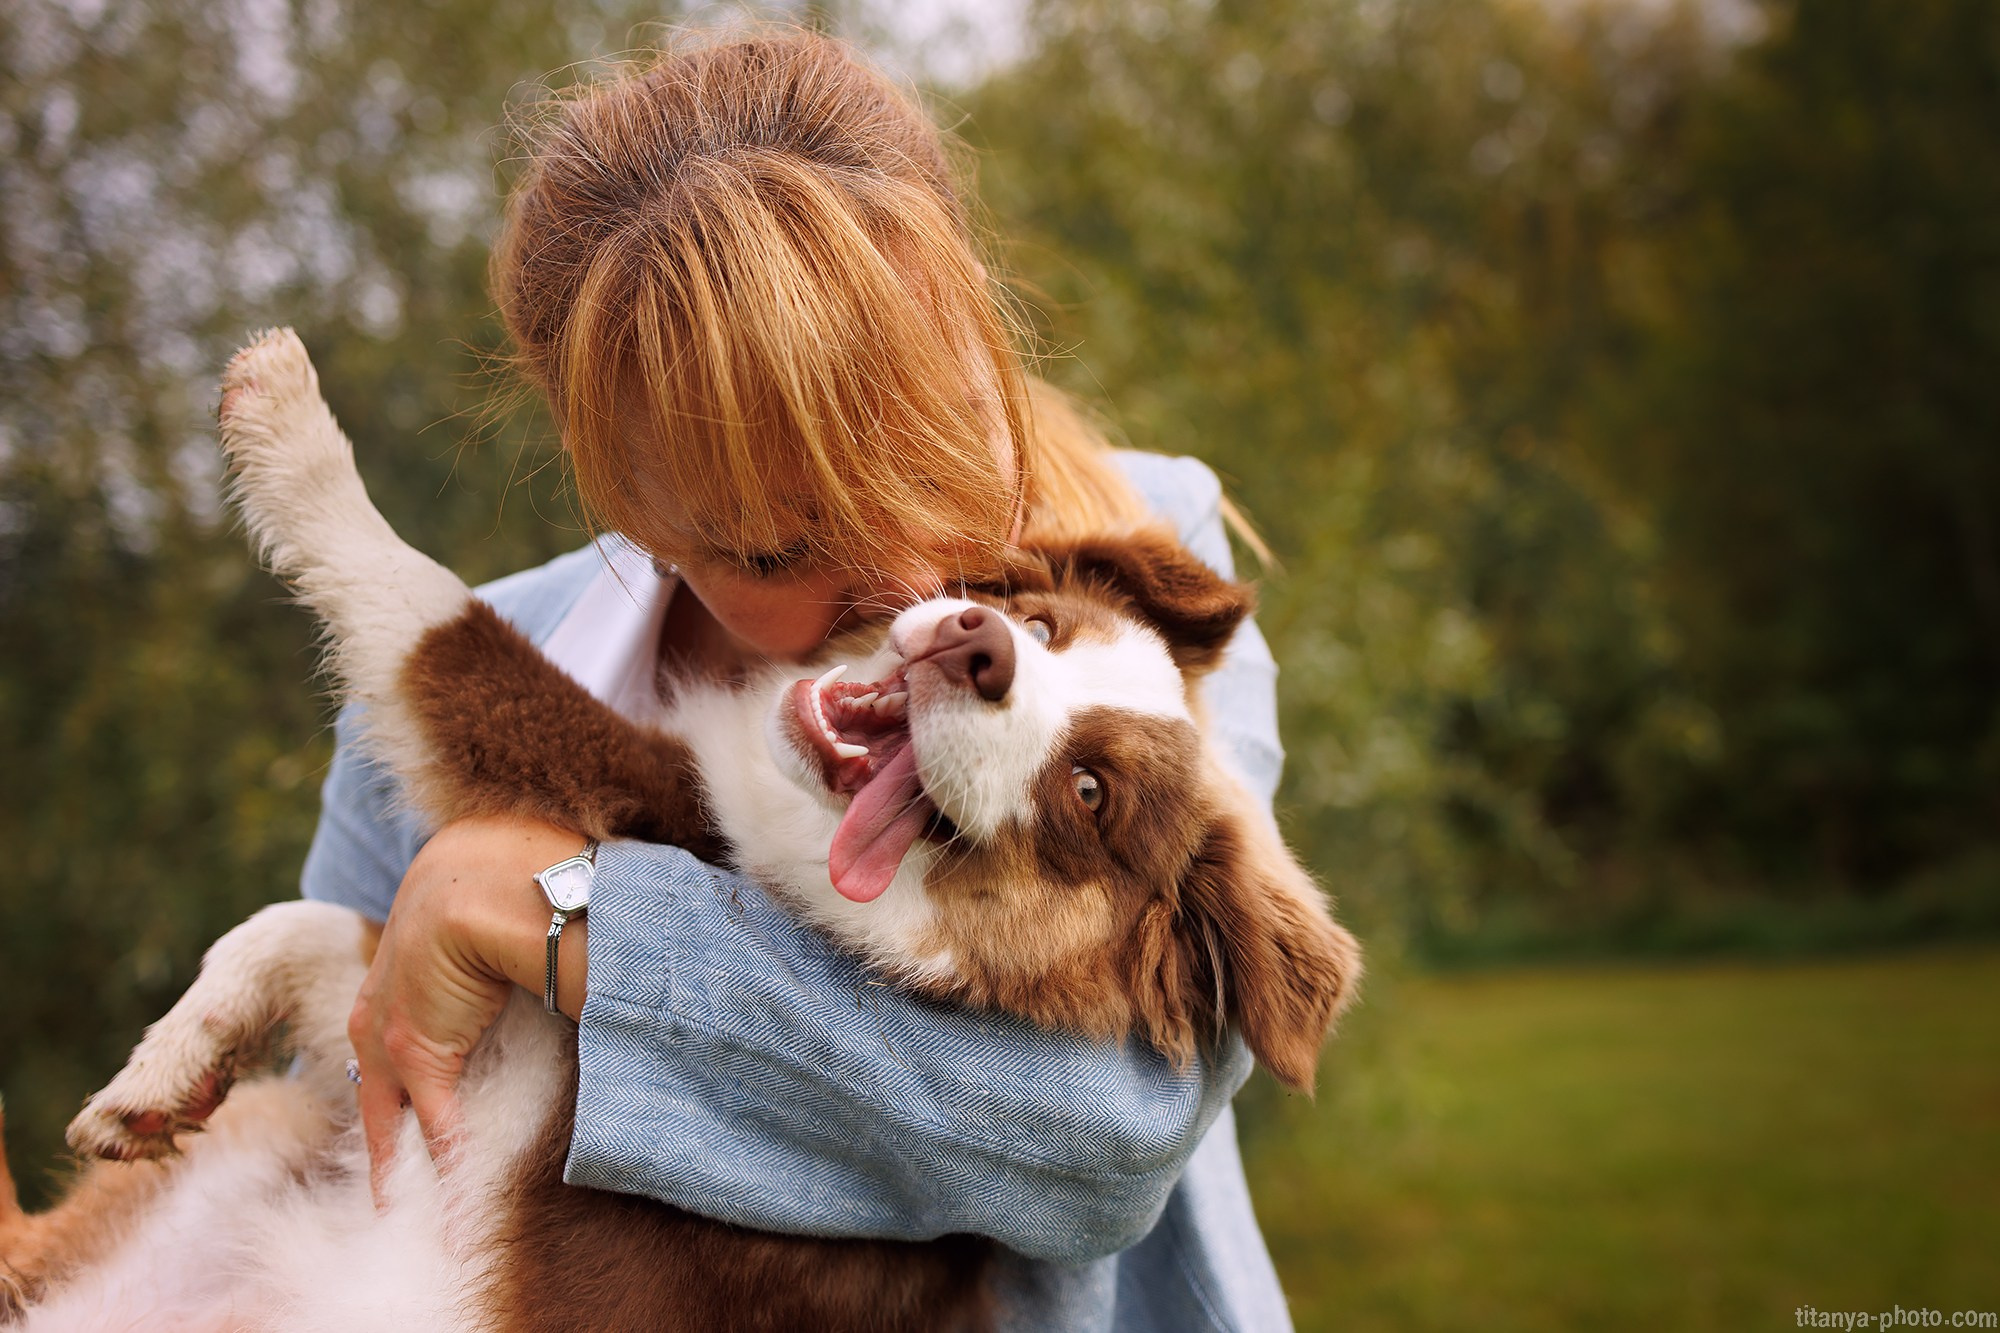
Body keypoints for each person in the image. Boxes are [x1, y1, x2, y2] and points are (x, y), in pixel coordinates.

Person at [303, 29, 1296, 1332]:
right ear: (624, 497)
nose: (908, 591)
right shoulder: (472, 666)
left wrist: (568, 924)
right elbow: (349, 1138)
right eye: (779, 543)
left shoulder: (1149, 581)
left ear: (972, 316)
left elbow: (1102, 1130)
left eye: (923, 451)